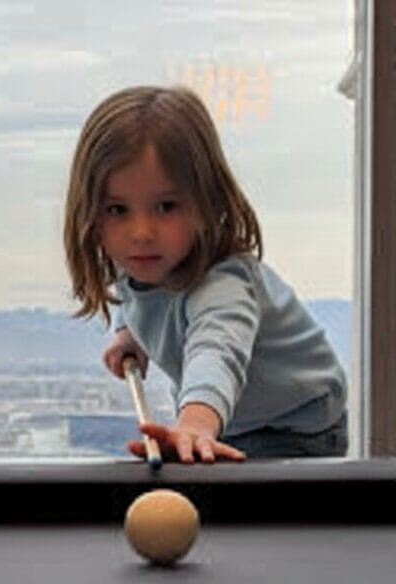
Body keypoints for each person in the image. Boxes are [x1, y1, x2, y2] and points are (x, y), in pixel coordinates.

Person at [64, 84, 348, 463]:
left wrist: (196, 422)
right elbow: (135, 293)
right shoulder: (145, 259)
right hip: (236, 419)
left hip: (292, 427)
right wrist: (129, 332)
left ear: (206, 201)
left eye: (166, 206)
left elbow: (217, 349)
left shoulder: (222, 286)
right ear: (91, 214)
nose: (141, 232)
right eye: (117, 209)